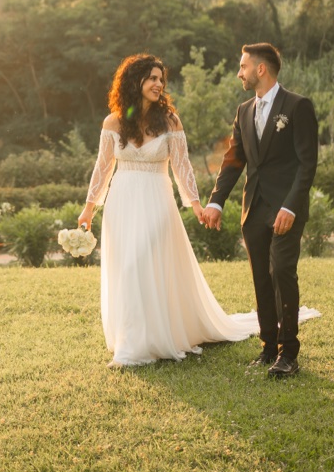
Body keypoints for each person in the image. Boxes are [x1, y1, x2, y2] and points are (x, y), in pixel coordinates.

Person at [76, 53, 258, 367]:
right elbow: (103, 168)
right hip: (122, 200)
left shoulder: (170, 121)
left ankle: (147, 340)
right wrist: (88, 208)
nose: (158, 84)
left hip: (157, 198)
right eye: (152, 78)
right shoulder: (114, 122)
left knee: (140, 262)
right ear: (135, 81)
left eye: (161, 79)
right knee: (127, 268)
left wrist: (196, 204)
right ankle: (134, 340)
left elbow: (182, 166)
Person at [201, 43, 319, 377]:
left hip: (285, 209)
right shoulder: (243, 111)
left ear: (261, 69)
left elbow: (307, 164)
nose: (239, 73)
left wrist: (290, 207)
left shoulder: (297, 106)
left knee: (281, 271)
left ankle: (288, 353)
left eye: (243, 67)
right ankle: (268, 347)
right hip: (253, 208)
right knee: (260, 278)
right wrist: (216, 201)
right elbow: (233, 160)